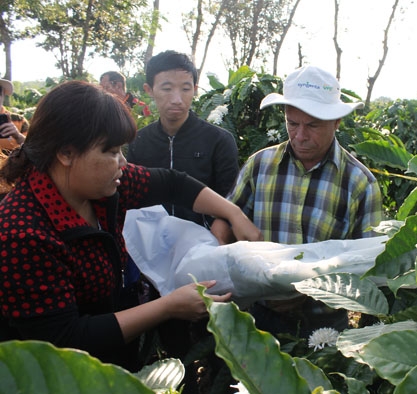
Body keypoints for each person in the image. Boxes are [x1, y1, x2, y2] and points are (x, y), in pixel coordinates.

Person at [0, 80, 263, 372]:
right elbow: (66, 339)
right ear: (66, 154)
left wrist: (234, 214)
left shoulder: (103, 186)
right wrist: (168, 307)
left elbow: (173, 184)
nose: (123, 162)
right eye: (111, 151)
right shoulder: (22, 233)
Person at [211, 65, 384, 338]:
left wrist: (311, 290)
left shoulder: (360, 184)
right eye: (293, 124)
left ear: (336, 122)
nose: (300, 136)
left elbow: (368, 268)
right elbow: (227, 217)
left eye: (313, 125)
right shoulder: (260, 166)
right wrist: (223, 257)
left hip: (323, 327)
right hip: (257, 317)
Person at [127, 50, 239, 228]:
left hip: (204, 243)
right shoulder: (138, 141)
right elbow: (130, 197)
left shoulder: (219, 140)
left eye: (185, 89)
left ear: (194, 90)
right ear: (149, 90)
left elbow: (230, 198)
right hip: (149, 244)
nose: (177, 99)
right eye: (167, 88)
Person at [0, 78, 29, 152]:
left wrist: (18, 136)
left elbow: (34, 150)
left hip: (12, 162)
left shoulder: (19, 120)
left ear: (3, 96)